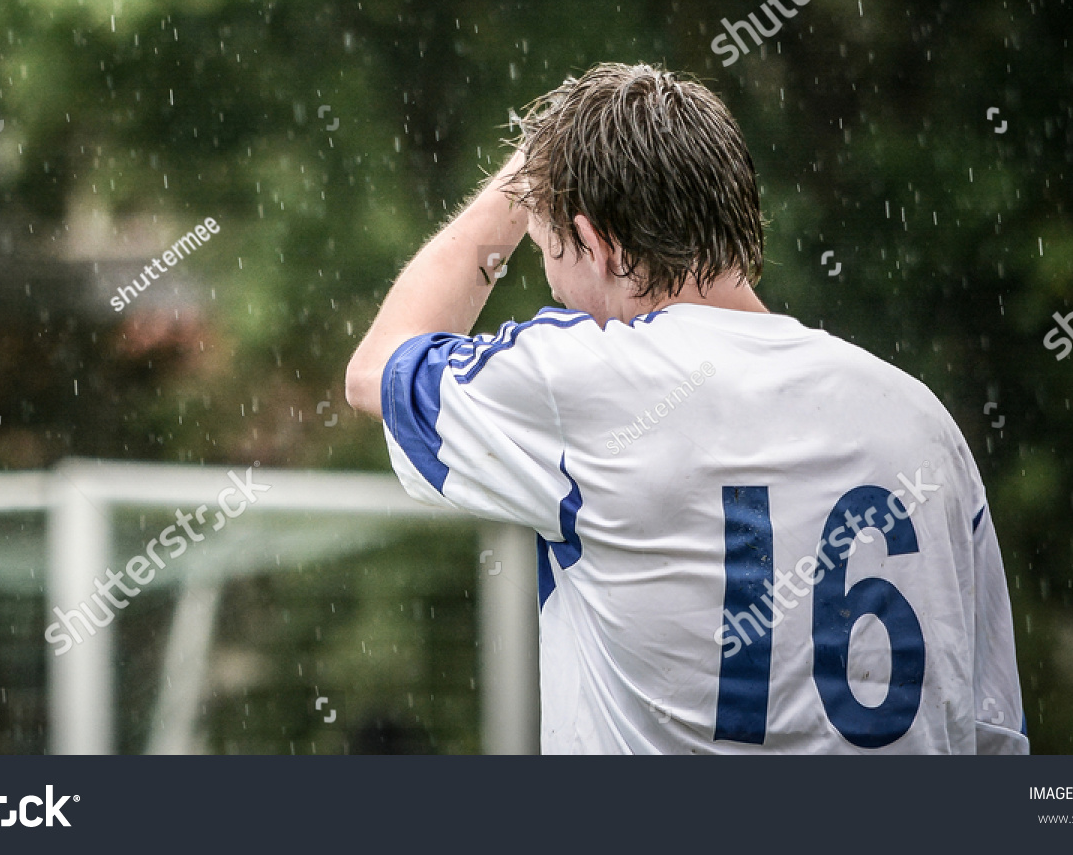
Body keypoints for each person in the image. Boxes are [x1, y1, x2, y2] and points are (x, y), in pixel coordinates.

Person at [345, 62, 1027, 754]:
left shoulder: (582, 383)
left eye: (556, 258)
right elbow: (993, 734)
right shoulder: (921, 421)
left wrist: (528, 169)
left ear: (599, 246)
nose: (563, 295)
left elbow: (376, 368)